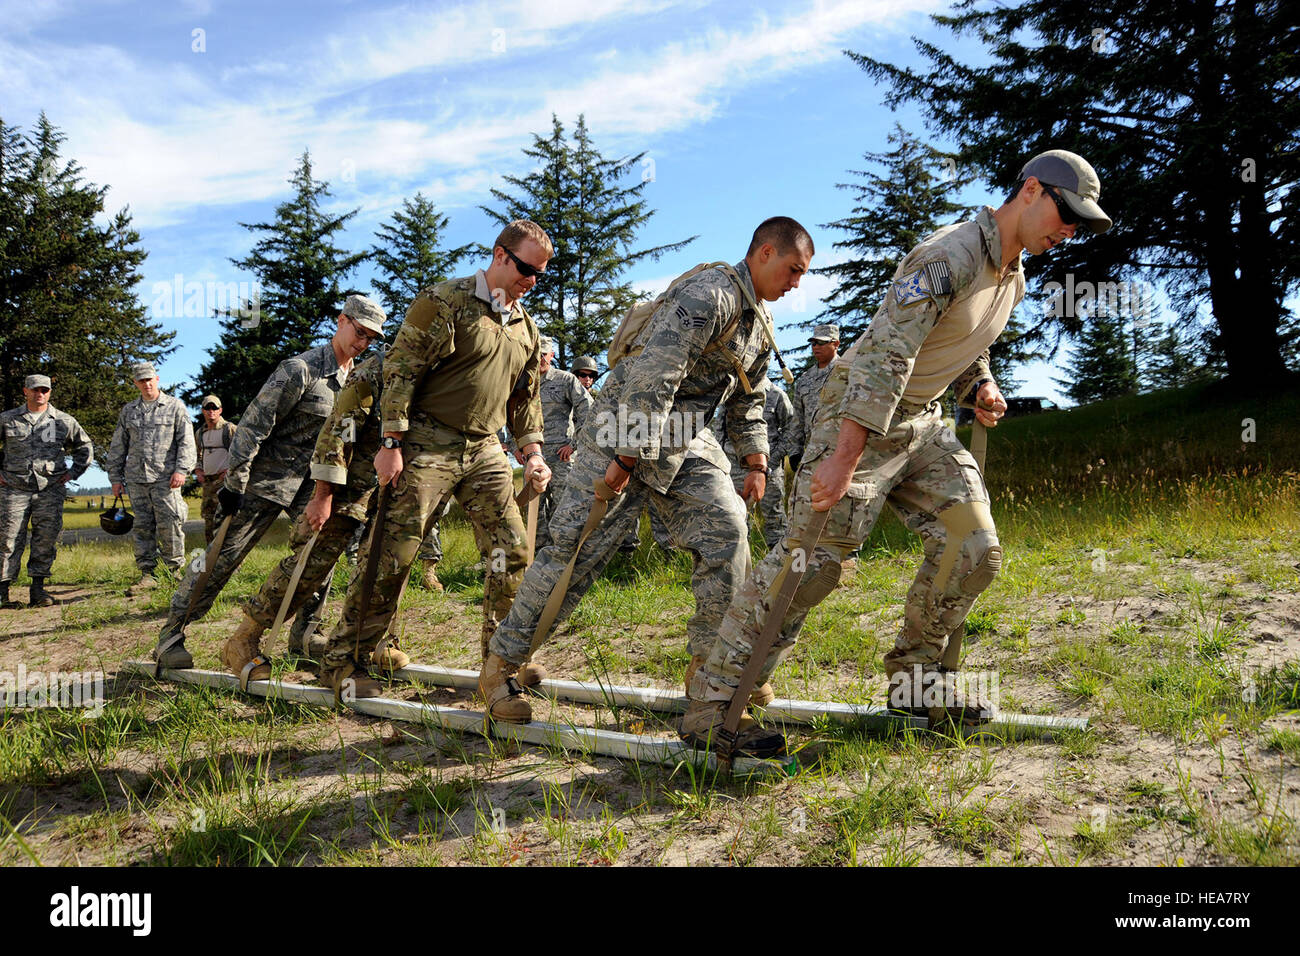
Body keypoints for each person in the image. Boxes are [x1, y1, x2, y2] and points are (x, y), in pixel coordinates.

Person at [684, 149, 1112, 755]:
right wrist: (842, 457)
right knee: (811, 563)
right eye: (1066, 214)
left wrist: (978, 384)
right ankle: (714, 704)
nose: (1068, 231)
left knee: (973, 546)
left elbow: (956, 341)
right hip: (857, 416)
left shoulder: (1011, 273)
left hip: (921, 426)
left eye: (1078, 223)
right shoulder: (951, 254)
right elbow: (889, 350)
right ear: (1032, 191)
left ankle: (917, 682)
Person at [480, 216, 814, 723]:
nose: (796, 285)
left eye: (803, 276)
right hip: (622, 430)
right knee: (575, 554)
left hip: (683, 442)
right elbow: (654, 376)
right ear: (764, 253)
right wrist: (624, 458)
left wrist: (755, 458)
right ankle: (501, 666)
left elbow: (749, 399)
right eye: (793, 270)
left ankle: (712, 676)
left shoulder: (759, 324)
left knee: (727, 530)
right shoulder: (710, 294)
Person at [315, 220, 553, 699]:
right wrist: (391, 443)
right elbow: (402, 369)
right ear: (501, 255)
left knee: (511, 551)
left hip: (486, 448)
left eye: (541, 273)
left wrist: (532, 453)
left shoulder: (527, 329)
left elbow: (525, 398)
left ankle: (500, 661)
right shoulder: (446, 301)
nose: (533, 280)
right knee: (392, 556)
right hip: (427, 441)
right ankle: (345, 661)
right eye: (528, 268)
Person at [150, 295, 384, 670]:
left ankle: (307, 633)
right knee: (221, 558)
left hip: (312, 484)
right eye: (359, 332)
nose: (362, 342)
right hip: (264, 479)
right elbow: (253, 427)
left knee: (317, 553)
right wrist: (235, 485)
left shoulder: (356, 380)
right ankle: (172, 635)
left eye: (371, 338)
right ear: (341, 321)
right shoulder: (300, 370)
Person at [223, 349, 424, 678]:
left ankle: (377, 640)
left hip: (397, 488)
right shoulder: (379, 370)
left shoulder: (446, 374)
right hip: (350, 484)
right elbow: (336, 431)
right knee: (311, 563)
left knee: (389, 563)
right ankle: (244, 638)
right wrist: (322, 495)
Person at [0, 374, 94, 608]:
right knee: (8, 539)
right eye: (34, 390)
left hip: (49, 490)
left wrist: (73, 474)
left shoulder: (62, 421)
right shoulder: (8, 419)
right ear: (25, 391)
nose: (39, 394)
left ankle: (38, 591)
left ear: (50, 392)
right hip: (13, 488)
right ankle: (2, 592)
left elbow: (85, 447)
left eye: (44, 390)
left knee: (45, 539)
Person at [106, 362, 197, 593]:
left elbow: (186, 441)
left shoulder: (175, 407)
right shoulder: (129, 411)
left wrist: (182, 470)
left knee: (171, 525)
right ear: (135, 383)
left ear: (157, 379)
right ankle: (147, 574)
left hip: (166, 479)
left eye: (150, 379)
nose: (146, 384)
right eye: (141, 380)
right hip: (137, 479)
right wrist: (115, 478)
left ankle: (173, 571)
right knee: (143, 527)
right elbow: (118, 446)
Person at [526, 337, 592, 552]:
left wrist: (574, 444)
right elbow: (513, 413)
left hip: (561, 455)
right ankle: (537, 554)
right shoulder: (523, 381)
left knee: (563, 505)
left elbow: (588, 412)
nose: (540, 359)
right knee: (534, 508)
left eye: (544, 355)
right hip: (533, 456)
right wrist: (516, 445)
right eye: (537, 354)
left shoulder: (566, 380)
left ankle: (560, 552)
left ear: (551, 355)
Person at [720, 377, 794, 551]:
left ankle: (779, 560)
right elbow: (720, 430)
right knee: (737, 516)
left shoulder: (777, 395)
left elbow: (791, 430)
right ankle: (740, 560)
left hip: (769, 468)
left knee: (773, 515)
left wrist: (772, 459)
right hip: (735, 468)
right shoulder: (732, 395)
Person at [193, 395, 237, 544]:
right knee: (209, 521)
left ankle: (231, 563)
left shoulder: (230, 429)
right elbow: (196, 455)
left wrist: (230, 471)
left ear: (220, 410)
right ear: (203, 411)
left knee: (226, 521)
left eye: (214, 408)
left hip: (225, 483)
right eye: (207, 408)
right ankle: (211, 560)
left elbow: (241, 453)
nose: (211, 411)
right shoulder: (200, 433)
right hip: (207, 484)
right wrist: (198, 470)